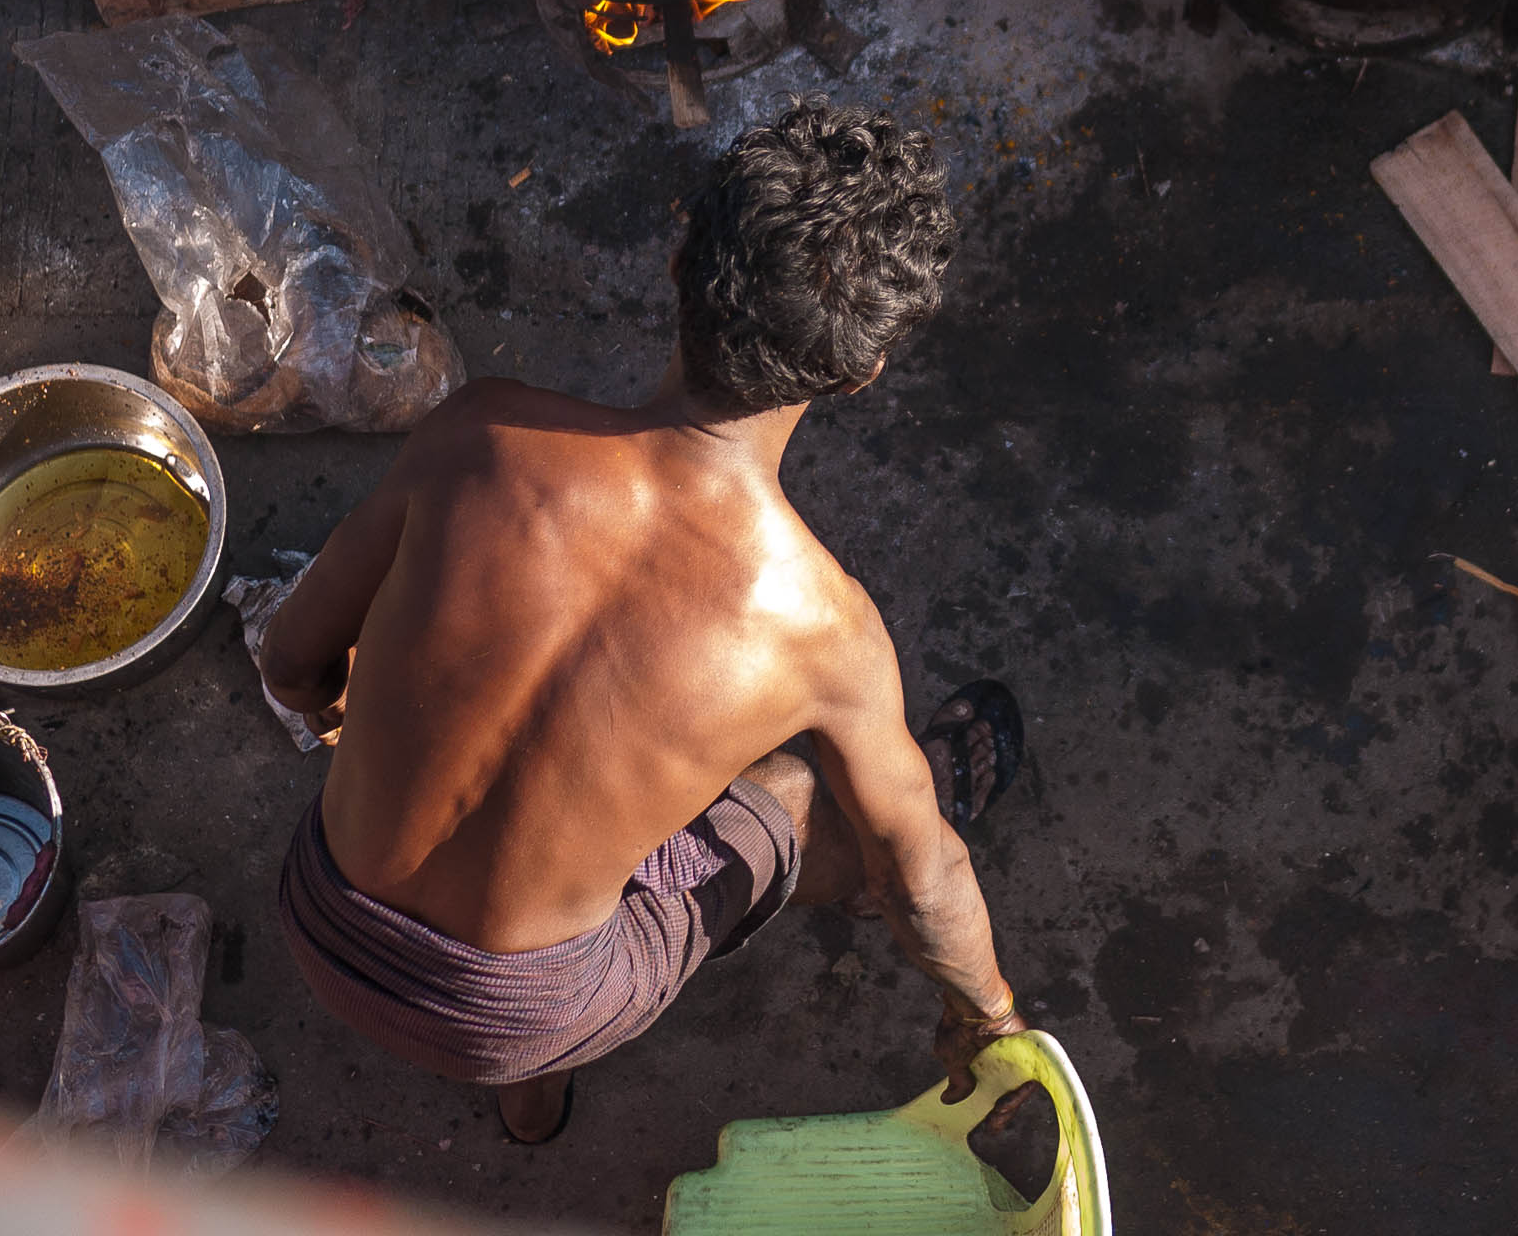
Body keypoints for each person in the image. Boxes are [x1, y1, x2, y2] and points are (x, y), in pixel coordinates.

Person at [262, 96, 1027, 1145]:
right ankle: (530, 1086)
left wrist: (359, 715)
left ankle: (534, 1110)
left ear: (678, 266)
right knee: (815, 801)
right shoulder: (822, 629)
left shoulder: (480, 433)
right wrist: (987, 1015)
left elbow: (293, 657)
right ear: (859, 374)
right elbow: (923, 874)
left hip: (324, 922)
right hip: (526, 1017)